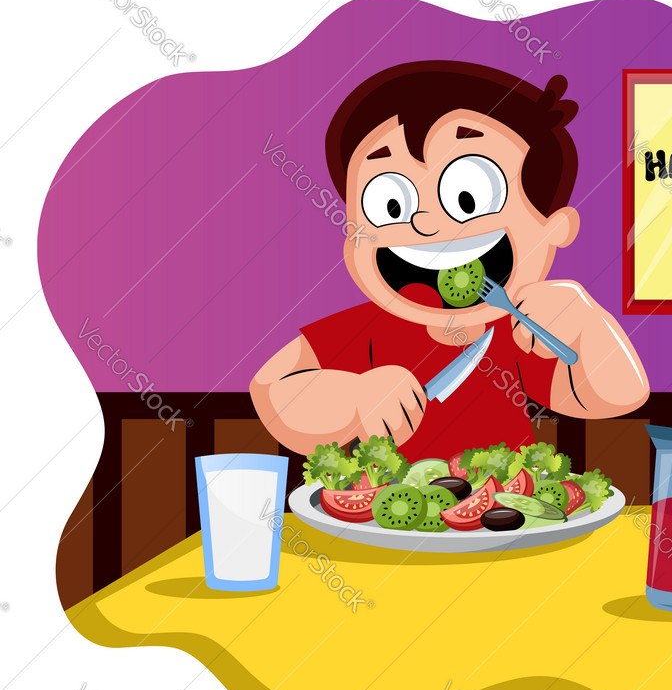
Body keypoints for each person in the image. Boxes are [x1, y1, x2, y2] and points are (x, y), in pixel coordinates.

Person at [251, 61, 648, 459]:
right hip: (379, 511)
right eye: (390, 204)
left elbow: (616, 397)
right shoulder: (365, 329)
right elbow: (272, 388)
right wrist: (352, 399)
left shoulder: (518, 329)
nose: (424, 223)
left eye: (468, 198)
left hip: (503, 508)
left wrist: (586, 328)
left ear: (554, 227)